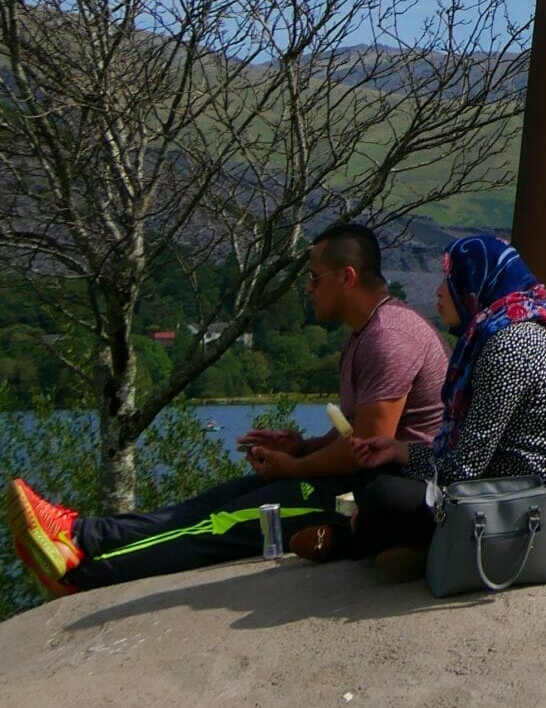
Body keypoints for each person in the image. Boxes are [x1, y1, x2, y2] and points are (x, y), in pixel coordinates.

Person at [6, 222, 445, 596]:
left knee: (222, 523)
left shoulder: (390, 337)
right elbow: (354, 431)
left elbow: (364, 449)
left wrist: (291, 469)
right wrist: (301, 448)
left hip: (379, 502)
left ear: (346, 277)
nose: (308, 289)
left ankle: (79, 568)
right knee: (214, 500)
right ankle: (81, 533)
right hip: (357, 484)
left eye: (314, 278)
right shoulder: (365, 334)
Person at [334, 233, 546, 578]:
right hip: (504, 497)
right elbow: (464, 463)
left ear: (474, 282)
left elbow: (462, 471)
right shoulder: (499, 337)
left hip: (530, 519)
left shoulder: (508, 348)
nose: (438, 290)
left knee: (382, 495)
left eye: (449, 279)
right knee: (379, 477)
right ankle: (406, 546)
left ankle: (370, 542)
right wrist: (400, 452)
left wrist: (399, 473)